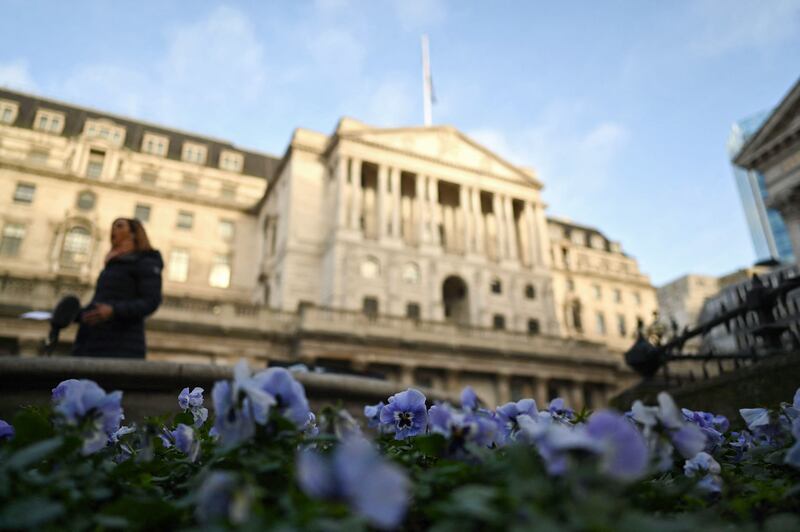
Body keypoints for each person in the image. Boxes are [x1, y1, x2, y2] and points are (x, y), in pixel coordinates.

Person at [72, 218, 163, 358]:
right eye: (113, 226)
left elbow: (151, 301)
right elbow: (102, 300)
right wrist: (80, 314)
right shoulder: (112, 264)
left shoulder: (146, 262)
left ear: (133, 234)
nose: (113, 230)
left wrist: (114, 311)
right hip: (93, 343)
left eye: (120, 226)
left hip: (122, 345)